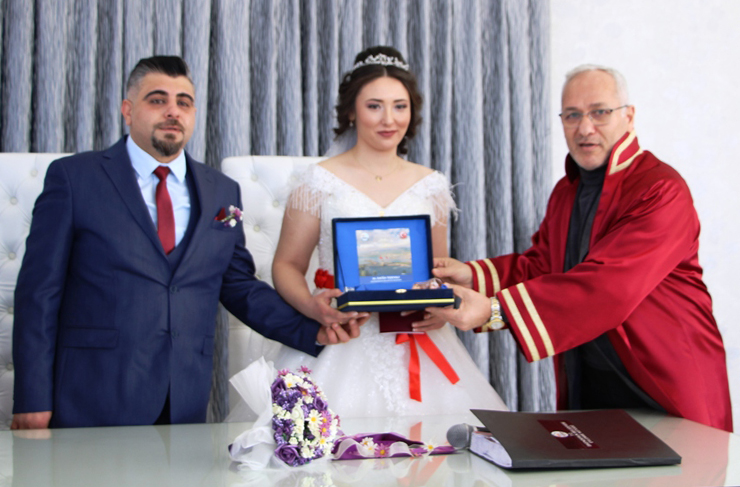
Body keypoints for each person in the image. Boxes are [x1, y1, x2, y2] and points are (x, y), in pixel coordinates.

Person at [11, 56, 362, 429]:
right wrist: (32, 398)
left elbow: (238, 286)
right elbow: (38, 294)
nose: (172, 111)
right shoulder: (74, 178)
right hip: (90, 397)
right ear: (128, 110)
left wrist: (311, 329)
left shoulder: (221, 192)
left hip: (183, 400)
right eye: (157, 100)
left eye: (184, 102)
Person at [425, 65, 733, 432]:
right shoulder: (566, 190)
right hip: (591, 378)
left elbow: (610, 285)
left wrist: (494, 310)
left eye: (599, 112)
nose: (585, 128)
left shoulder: (661, 189)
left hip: (665, 377)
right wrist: (472, 275)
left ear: (629, 116)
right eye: (572, 115)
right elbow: (544, 265)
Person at [231, 46, 507, 419]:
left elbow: (438, 270)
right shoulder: (317, 182)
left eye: (400, 106)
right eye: (374, 106)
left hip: (417, 335)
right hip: (342, 333)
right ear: (351, 111)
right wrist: (313, 307)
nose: (389, 119)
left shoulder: (432, 185)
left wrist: (441, 309)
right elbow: (287, 265)